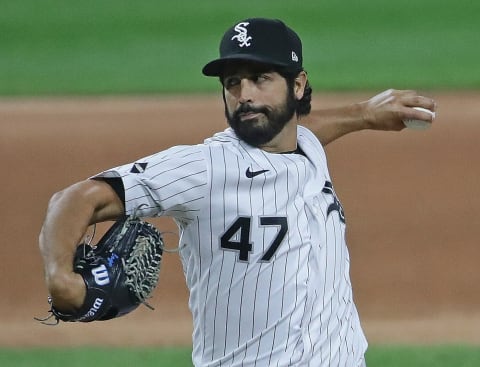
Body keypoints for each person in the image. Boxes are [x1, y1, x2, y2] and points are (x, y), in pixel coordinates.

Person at [39, 18, 435, 367]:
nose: (244, 94)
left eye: (260, 79)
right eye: (233, 82)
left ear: (298, 84)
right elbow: (76, 198)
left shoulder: (307, 145)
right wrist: (60, 275)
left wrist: (365, 113)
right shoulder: (205, 167)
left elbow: (304, 129)